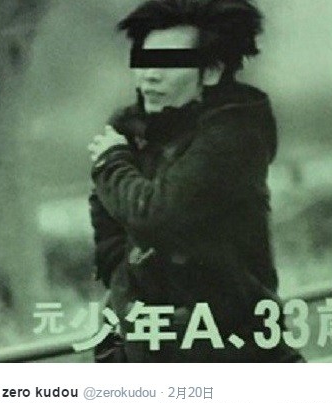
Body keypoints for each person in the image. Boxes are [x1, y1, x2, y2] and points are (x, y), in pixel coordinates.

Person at [88, 0, 304, 362]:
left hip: (234, 354)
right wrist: (125, 304)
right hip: (148, 353)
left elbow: (157, 214)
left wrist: (111, 163)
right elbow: (109, 234)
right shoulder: (131, 136)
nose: (149, 76)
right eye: (143, 61)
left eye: (169, 63)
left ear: (212, 71)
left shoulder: (234, 135)